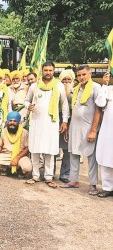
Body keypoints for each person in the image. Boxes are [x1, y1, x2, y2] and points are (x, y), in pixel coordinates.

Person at [25, 61, 69, 186]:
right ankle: (35, 175)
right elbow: (26, 100)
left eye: (50, 70)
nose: (48, 72)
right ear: (42, 71)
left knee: (49, 150)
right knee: (35, 149)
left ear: (53, 71)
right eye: (46, 70)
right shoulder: (35, 86)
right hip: (36, 122)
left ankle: (49, 176)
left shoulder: (59, 86)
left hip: (52, 123)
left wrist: (65, 121)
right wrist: (29, 106)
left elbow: (64, 105)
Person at [62, 65, 102, 195]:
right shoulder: (76, 89)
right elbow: (71, 109)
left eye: (84, 74)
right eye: (79, 75)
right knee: (73, 153)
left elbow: (98, 110)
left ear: (90, 74)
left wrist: (93, 130)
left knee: (91, 156)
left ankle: (93, 184)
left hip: (89, 127)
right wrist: (68, 127)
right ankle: (73, 180)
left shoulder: (96, 87)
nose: (81, 77)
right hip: (75, 126)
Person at [0, 111, 32, 178]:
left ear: (18, 122)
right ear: (7, 122)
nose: (12, 123)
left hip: (20, 156)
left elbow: (27, 148)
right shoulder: (3, 131)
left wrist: (17, 158)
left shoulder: (24, 132)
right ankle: (6, 168)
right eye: (10, 121)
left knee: (27, 168)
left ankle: (20, 170)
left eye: (15, 121)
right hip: (6, 154)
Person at [95, 72, 113, 198]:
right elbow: (100, 103)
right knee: (106, 158)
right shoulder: (108, 89)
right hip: (108, 131)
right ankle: (107, 188)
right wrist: (104, 85)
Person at [57, 69, 76, 183]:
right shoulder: (56, 90)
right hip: (56, 120)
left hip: (70, 123)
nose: (66, 82)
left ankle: (65, 174)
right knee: (53, 149)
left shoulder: (76, 92)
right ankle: (49, 173)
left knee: (67, 150)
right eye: (64, 79)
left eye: (69, 79)